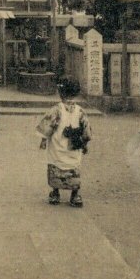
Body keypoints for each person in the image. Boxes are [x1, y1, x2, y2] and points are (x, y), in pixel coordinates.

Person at [36, 77, 91, 207]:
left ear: (60, 92)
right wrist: (85, 143)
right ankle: (75, 195)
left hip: (58, 145)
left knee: (56, 166)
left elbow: (48, 126)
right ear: (77, 92)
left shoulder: (56, 110)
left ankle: (55, 193)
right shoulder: (81, 111)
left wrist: (44, 139)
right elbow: (86, 130)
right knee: (73, 167)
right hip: (74, 145)